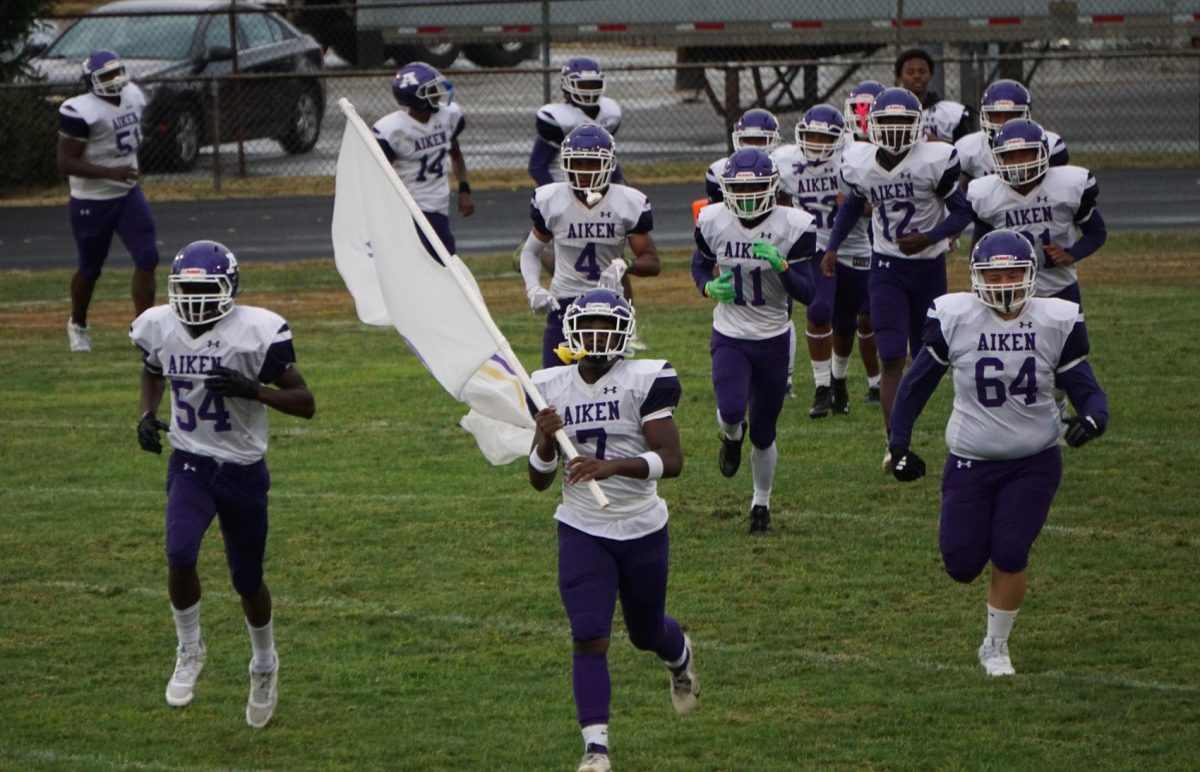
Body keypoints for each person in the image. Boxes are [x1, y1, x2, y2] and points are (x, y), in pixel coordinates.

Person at [886, 229, 1108, 676]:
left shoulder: (1055, 318)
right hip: (971, 461)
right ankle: (990, 570)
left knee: (1010, 549)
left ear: (1031, 275)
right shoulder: (957, 317)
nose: (1005, 282)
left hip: (1034, 459)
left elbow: (1087, 387)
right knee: (961, 563)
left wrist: (1092, 419)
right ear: (975, 278)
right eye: (995, 273)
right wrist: (899, 443)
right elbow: (915, 385)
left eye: (1013, 272)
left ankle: (995, 646)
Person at [130, 240, 315, 727]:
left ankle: (264, 664)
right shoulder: (159, 326)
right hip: (190, 460)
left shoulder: (256, 332)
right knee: (179, 552)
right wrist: (147, 414)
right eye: (184, 289)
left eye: (202, 289)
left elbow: (306, 400)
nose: (191, 300)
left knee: (247, 579)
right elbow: (152, 369)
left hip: (243, 469)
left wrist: (254, 390)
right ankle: (189, 648)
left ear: (228, 289)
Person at [528, 289, 698, 772]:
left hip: (641, 524)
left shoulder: (645, 379)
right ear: (573, 332)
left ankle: (679, 656)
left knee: (646, 632)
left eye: (608, 327)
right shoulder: (549, 384)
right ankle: (596, 750)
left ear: (624, 332)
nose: (599, 336)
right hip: (582, 526)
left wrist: (611, 467)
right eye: (591, 326)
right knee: (588, 634)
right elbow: (539, 480)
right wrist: (543, 437)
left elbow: (672, 460)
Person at [823, 87, 973, 470]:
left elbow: (962, 213)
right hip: (886, 266)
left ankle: (913, 422)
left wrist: (930, 236)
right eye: (885, 122)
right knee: (891, 355)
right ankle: (896, 444)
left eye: (901, 122)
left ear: (918, 124)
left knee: (927, 354)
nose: (892, 131)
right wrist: (833, 246)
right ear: (871, 125)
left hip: (928, 267)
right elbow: (854, 204)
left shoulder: (935, 160)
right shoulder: (859, 162)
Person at [692, 148, 817, 534]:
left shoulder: (794, 225)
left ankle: (761, 503)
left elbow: (810, 293)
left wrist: (782, 266)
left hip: (773, 337)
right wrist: (707, 286)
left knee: (764, 431)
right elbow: (699, 263)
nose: (746, 198)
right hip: (730, 332)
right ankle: (731, 438)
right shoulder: (712, 220)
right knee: (731, 411)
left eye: (757, 188)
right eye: (738, 190)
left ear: (772, 187)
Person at [519, 125, 660, 368]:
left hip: (610, 306)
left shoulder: (627, 202)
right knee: (554, 384)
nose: (584, 171)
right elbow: (531, 250)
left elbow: (652, 262)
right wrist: (533, 289)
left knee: (606, 387)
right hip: (564, 302)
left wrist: (624, 264)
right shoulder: (551, 200)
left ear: (608, 163)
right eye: (578, 162)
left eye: (592, 163)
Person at [58, 49, 159, 353]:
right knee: (90, 268)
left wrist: (120, 173)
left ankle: (143, 330)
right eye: (106, 76)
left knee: (147, 258)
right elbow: (65, 162)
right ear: (91, 81)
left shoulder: (133, 96)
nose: (115, 80)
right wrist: (110, 172)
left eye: (117, 73)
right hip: (91, 200)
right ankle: (78, 323)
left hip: (127, 195)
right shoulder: (80, 110)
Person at [966, 119, 1106, 309]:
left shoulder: (1065, 188)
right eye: (1010, 156)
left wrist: (1072, 254)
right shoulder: (988, 195)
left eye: (1024, 154)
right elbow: (980, 245)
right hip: (1010, 293)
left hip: (1060, 287)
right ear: (998, 158)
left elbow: (1097, 232)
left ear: (1041, 153)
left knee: (1072, 339)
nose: (1017, 163)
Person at [373, 61, 474, 259]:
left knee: (444, 263)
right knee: (441, 265)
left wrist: (464, 189)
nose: (438, 92)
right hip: (411, 207)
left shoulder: (447, 117)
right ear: (417, 97)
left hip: (439, 205)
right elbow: (379, 172)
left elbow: (455, 153)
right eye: (432, 89)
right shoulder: (394, 130)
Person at [839, 80, 887, 406]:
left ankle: (879, 380)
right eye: (859, 108)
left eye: (870, 109)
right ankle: (867, 381)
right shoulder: (840, 145)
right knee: (851, 316)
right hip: (847, 240)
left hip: (885, 235)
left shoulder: (898, 141)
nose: (864, 115)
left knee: (872, 315)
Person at [529, 57, 623, 188]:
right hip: (563, 184)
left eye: (593, 85)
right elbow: (537, 166)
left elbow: (608, 156)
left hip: (598, 186)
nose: (588, 91)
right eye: (583, 85)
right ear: (566, 85)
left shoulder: (610, 114)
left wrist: (619, 184)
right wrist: (554, 194)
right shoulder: (557, 119)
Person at [955, 80, 1069, 184]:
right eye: (997, 116)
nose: (1003, 123)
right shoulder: (967, 149)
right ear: (986, 116)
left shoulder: (1050, 144)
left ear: (1025, 114)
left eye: (1011, 115)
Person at [894, 48, 974, 143]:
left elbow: (966, 150)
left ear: (931, 75)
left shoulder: (952, 114)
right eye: (910, 72)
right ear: (899, 77)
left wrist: (938, 144)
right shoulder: (890, 113)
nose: (917, 76)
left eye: (922, 71)